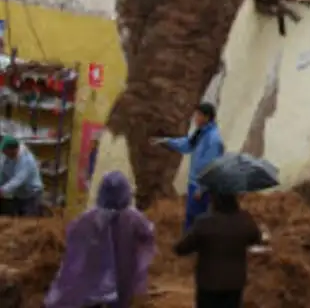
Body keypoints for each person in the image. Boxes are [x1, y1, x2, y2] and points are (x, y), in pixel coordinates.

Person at [44, 171, 155, 308]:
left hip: (93, 281)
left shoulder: (87, 219)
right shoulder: (134, 218)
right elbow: (148, 238)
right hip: (123, 273)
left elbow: (73, 241)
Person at [173, 191, 264, 308]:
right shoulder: (244, 219)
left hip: (208, 284)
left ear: (214, 201)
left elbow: (181, 248)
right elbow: (256, 238)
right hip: (234, 283)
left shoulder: (203, 222)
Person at [153, 102, 225, 231]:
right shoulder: (201, 133)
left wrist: (202, 188)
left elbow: (212, 166)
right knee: (191, 218)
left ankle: (195, 247)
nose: (195, 118)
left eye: (198, 115)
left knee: (197, 221)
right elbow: (187, 145)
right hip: (194, 184)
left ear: (206, 117)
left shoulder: (213, 139)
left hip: (202, 188)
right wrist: (167, 141)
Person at [0, 135, 43, 216]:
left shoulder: (26, 159)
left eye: (5, 151)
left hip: (32, 194)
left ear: (13, 149)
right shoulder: (7, 156)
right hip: (18, 194)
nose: (3, 153)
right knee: (17, 220)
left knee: (29, 223)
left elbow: (19, 180)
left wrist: (2, 190)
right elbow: (3, 172)